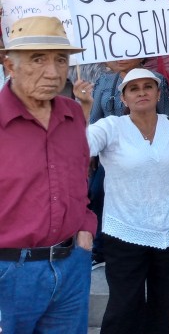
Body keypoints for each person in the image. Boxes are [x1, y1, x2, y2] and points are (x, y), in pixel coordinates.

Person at [82, 67, 169, 334]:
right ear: (124, 98)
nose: (141, 92)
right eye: (134, 88)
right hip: (125, 232)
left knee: (163, 307)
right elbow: (82, 146)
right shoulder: (111, 127)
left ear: (158, 93)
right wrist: (85, 109)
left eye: (148, 86)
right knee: (123, 309)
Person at [0, 16, 96, 333]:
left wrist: (85, 227)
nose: (53, 72)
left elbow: (80, 178)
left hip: (72, 267)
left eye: (61, 59)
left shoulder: (72, 114)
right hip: (9, 273)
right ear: (9, 66)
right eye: (38, 59)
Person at [87, 58, 169, 270]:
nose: (121, 57)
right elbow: (95, 118)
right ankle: (101, 249)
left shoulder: (157, 80)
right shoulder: (103, 81)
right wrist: (91, 153)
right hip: (110, 158)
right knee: (98, 195)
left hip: (151, 153)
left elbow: (168, 119)